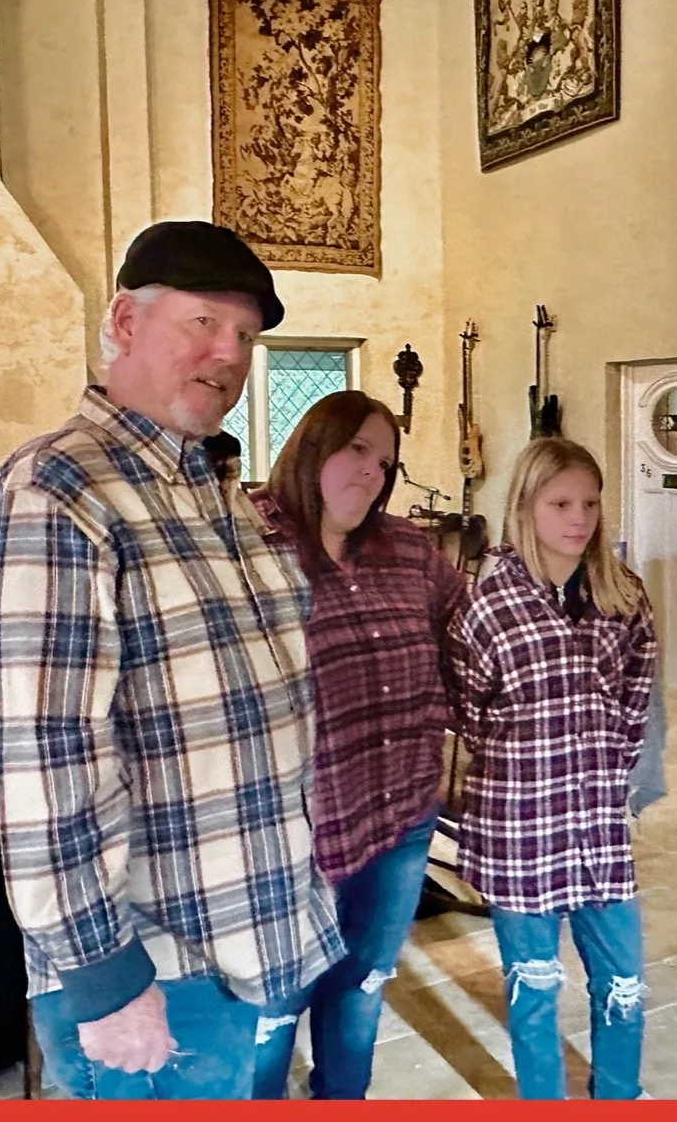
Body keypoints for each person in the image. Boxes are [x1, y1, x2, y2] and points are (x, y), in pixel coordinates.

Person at [0, 220, 344, 1101]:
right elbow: (46, 760)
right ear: (126, 322)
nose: (230, 353)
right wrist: (106, 980)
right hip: (152, 971)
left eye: (245, 334)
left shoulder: (213, 488)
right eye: (203, 322)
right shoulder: (57, 492)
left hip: (242, 940)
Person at [249, 391, 466, 1099]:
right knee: (272, 1011)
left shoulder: (408, 549)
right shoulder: (246, 544)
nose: (372, 471)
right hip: (289, 834)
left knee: (362, 987)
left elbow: (471, 637)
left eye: (386, 462)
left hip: (401, 817)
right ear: (313, 446)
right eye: (357, 449)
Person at [446, 437, 658, 1101]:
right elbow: (470, 715)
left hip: (598, 827)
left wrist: (611, 774)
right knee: (534, 988)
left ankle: (617, 1096)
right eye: (560, 504)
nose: (579, 518)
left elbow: (635, 700)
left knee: (623, 984)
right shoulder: (487, 608)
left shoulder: (624, 596)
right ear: (525, 506)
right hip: (522, 826)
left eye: (590, 504)